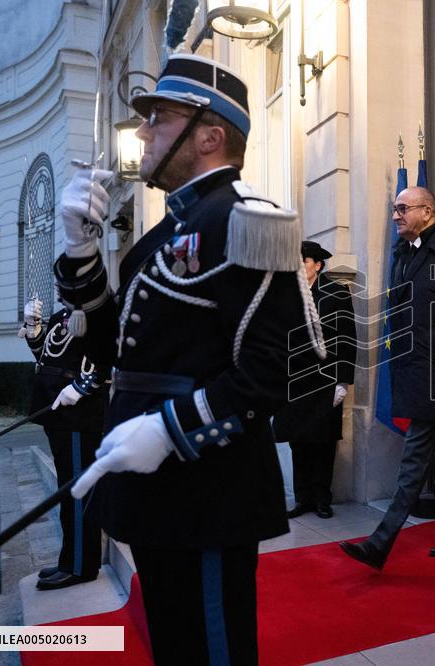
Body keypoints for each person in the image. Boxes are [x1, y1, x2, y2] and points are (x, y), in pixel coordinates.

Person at [55, 54, 316, 663]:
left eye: (158, 120)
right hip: (157, 491)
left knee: (210, 649)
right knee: (175, 645)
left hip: (206, 492)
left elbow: (271, 370)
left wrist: (169, 430)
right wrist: (78, 249)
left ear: (209, 135)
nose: (142, 133)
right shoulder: (162, 236)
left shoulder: (248, 221)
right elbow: (108, 341)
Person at [338, 186, 435, 570]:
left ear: (428, 210)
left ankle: (381, 541)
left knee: (414, 461)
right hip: (412, 369)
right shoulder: (403, 252)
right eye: (394, 209)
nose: (396, 216)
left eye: (403, 209)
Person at [19, 296, 106, 590]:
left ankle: (81, 566)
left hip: (80, 417)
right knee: (67, 491)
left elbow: (109, 359)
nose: (59, 289)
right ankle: (70, 560)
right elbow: (44, 356)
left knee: (78, 492)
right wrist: (33, 327)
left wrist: (82, 387)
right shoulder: (60, 317)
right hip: (57, 413)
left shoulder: (98, 318)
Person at [273, 241, 357, 519]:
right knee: (297, 439)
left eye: (303, 261)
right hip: (293, 381)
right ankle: (302, 497)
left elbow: (347, 338)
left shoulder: (336, 293)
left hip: (324, 379)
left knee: (322, 440)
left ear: (317, 265)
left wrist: (343, 381)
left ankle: (322, 497)